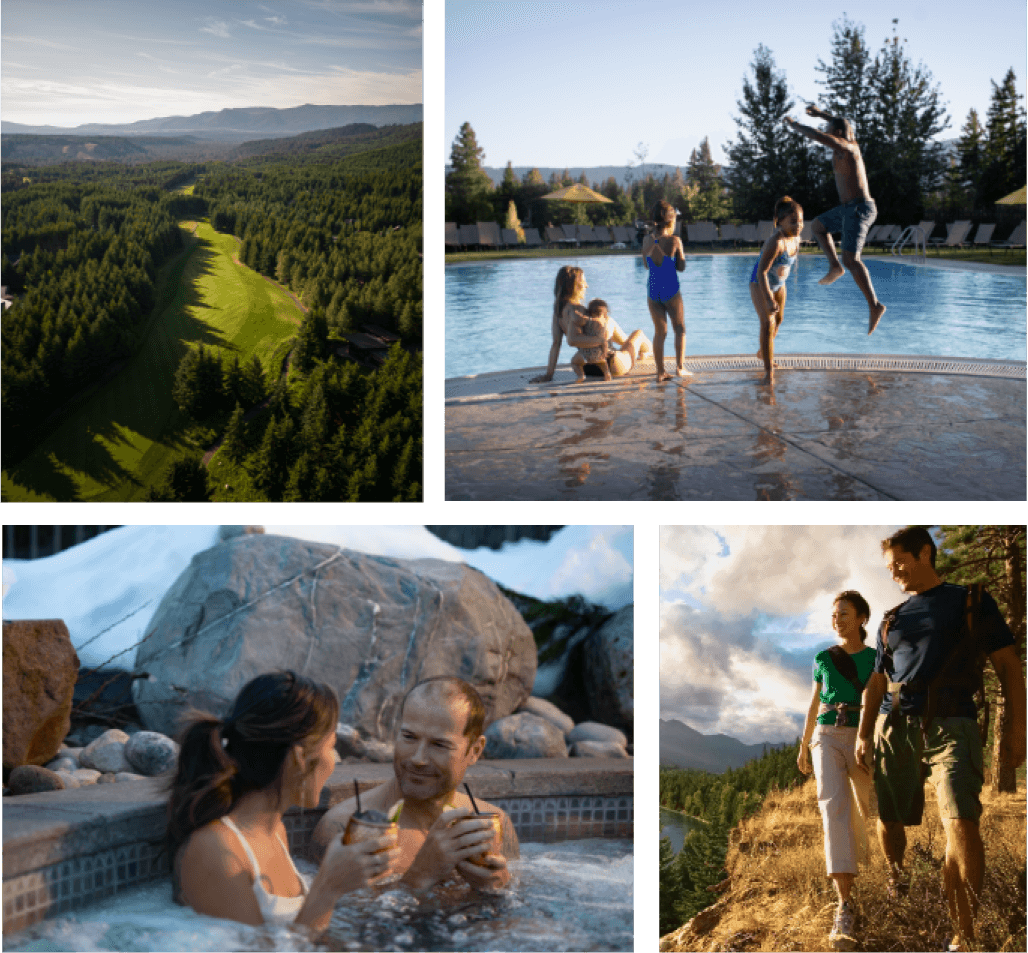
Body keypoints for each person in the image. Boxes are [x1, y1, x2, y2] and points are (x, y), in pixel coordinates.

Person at [853, 527, 1026, 953]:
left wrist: (1019, 729)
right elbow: (877, 682)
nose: (895, 573)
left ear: (925, 553)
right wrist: (863, 733)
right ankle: (898, 877)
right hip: (896, 726)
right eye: (889, 568)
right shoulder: (891, 618)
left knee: (960, 820)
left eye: (900, 563)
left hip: (953, 722)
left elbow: (1008, 665)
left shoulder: (970, 600)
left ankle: (963, 936)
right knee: (890, 818)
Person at [161, 670, 402, 936]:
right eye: (331, 747)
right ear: (300, 759)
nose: (334, 760)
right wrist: (327, 888)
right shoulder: (217, 851)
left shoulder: (276, 832)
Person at [311, 676, 520, 894]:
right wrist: (419, 877)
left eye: (439, 744)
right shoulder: (347, 828)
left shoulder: (495, 824)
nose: (418, 759)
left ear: (475, 750)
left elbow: (513, 922)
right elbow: (339, 923)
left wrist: (500, 891)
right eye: (409, 737)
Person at [798, 589, 874, 952]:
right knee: (833, 811)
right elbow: (814, 703)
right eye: (834, 615)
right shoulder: (823, 658)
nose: (837, 620)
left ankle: (892, 876)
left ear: (861, 618)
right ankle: (844, 904)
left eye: (844, 614)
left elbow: (884, 701)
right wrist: (804, 743)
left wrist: (871, 736)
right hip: (826, 735)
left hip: (863, 736)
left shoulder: (877, 658)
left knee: (872, 809)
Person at [785, 105, 887, 335]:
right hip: (848, 208)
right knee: (818, 226)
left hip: (859, 208)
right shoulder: (846, 140)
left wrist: (794, 126)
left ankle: (875, 305)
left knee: (852, 259)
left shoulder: (846, 147)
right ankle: (834, 266)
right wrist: (822, 115)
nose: (827, 133)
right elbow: (841, 123)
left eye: (830, 130)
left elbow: (818, 136)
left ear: (838, 134)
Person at [749, 196, 804, 386]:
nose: (798, 225)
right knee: (767, 323)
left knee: (779, 319)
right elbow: (762, 271)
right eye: (793, 221)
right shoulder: (776, 242)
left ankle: (762, 352)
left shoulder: (796, 239)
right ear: (780, 222)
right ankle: (768, 371)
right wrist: (768, 298)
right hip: (760, 283)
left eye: (801, 221)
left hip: (779, 284)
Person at [641, 200, 690, 383]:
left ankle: (660, 372)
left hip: (653, 291)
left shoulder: (646, 240)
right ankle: (679, 368)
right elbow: (681, 267)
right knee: (680, 328)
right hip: (671, 290)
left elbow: (646, 265)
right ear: (671, 222)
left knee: (660, 332)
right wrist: (680, 253)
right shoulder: (674, 240)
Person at [571, 298, 614, 382]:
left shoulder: (587, 320)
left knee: (574, 362)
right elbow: (604, 341)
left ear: (589, 312)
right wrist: (604, 352)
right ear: (605, 315)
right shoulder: (603, 325)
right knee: (603, 364)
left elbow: (579, 318)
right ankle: (607, 374)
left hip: (585, 353)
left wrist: (574, 312)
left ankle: (581, 375)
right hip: (598, 353)